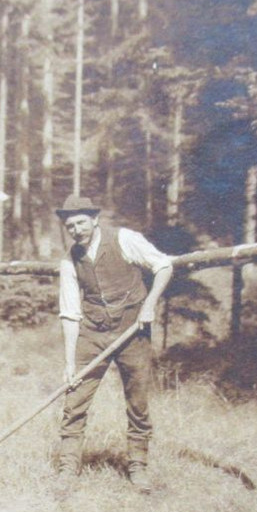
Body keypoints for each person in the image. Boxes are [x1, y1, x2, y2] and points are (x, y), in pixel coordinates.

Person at [54, 194, 173, 492]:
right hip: (93, 332)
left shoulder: (124, 239)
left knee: (138, 400)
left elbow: (164, 266)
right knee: (75, 399)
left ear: (95, 219)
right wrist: (70, 363)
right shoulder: (70, 261)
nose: (77, 229)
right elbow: (70, 312)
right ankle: (68, 469)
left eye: (82, 222)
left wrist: (149, 306)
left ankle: (137, 466)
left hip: (132, 331)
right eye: (71, 226)